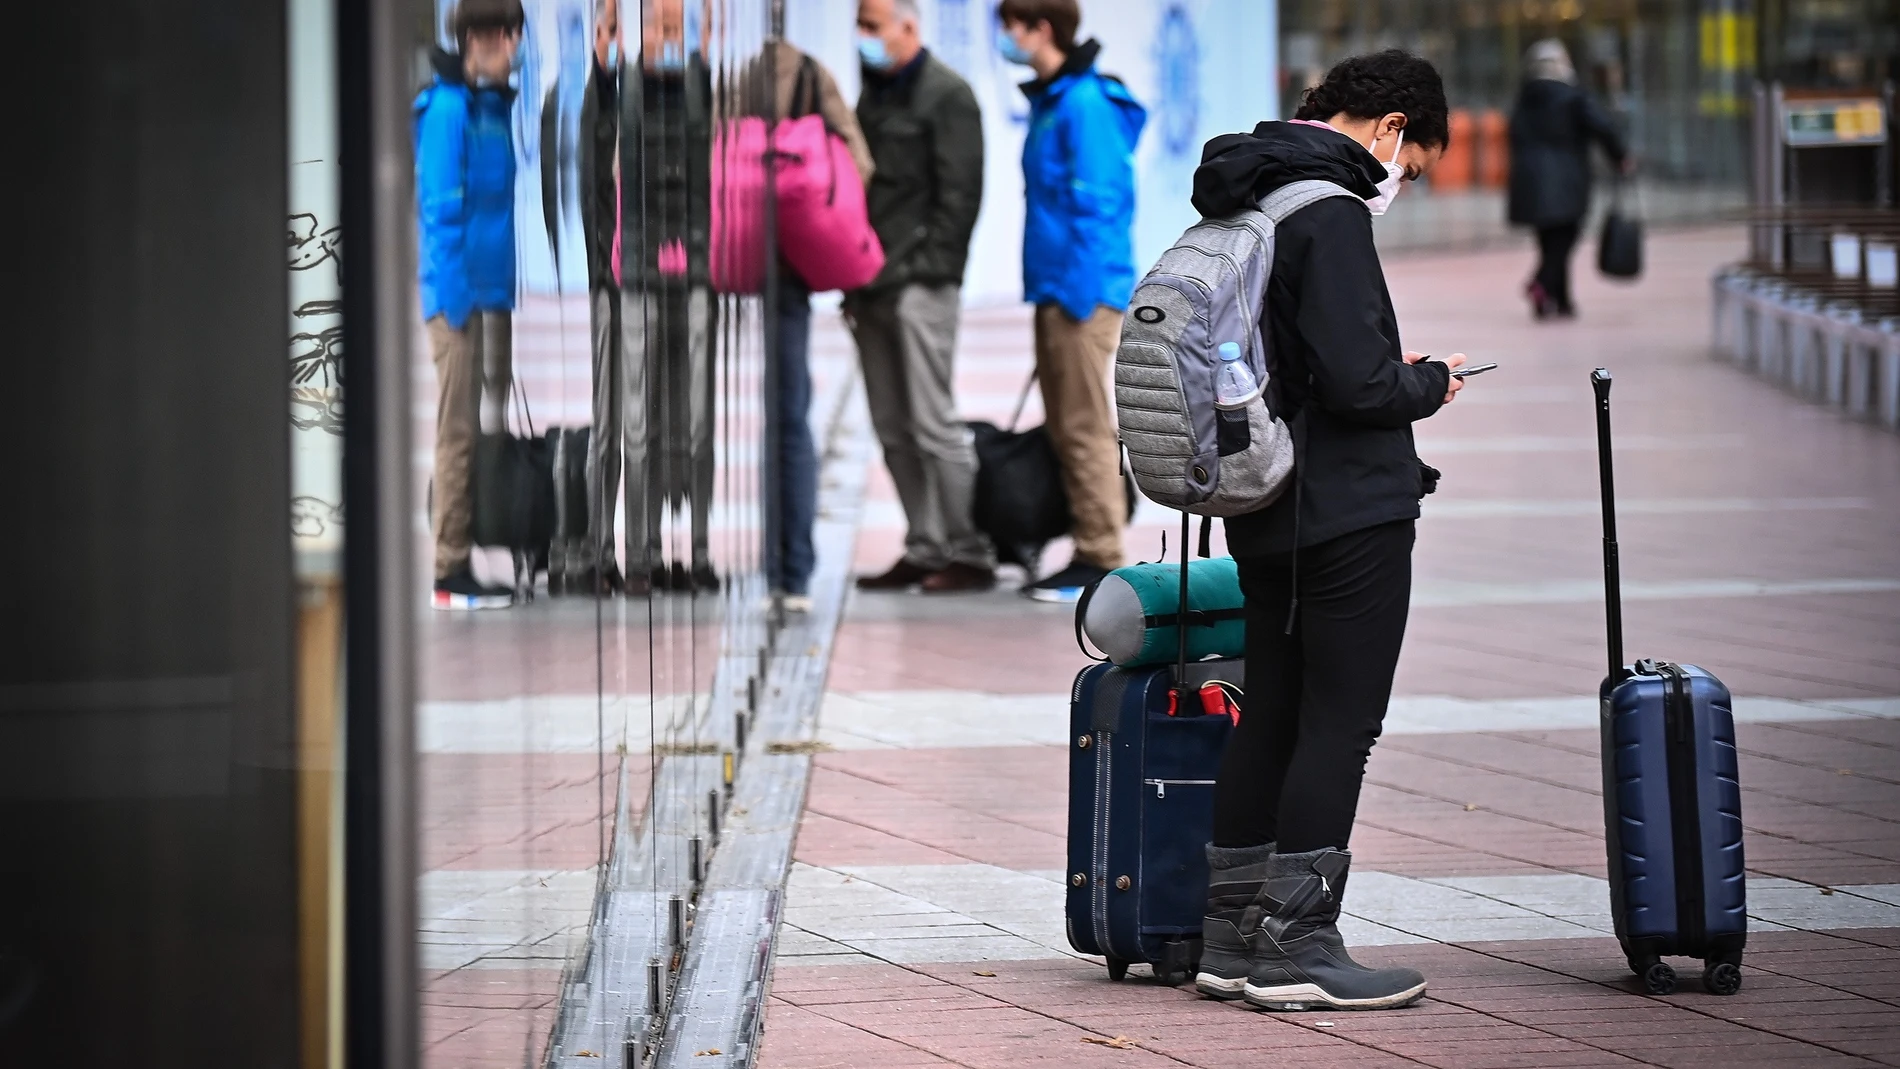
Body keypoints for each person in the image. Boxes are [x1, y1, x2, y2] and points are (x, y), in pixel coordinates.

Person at [1188, 50, 1466, 1011]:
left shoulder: (1249, 193)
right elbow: (1360, 383)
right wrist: (1429, 381)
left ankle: (1228, 935)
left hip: (1261, 498)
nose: (1401, 181)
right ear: (1390, 128)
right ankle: (1299, 939)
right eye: (1412, 163)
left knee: (1272, 709)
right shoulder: (1331, 209)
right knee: (1340, 722)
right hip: (1345, 507)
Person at [996, 0, 1145, 605]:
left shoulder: (1084, 103)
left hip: (1082, 289)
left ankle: (1102, 555)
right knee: (1069, 424)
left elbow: (1102, 203)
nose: (1004, 38)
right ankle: (1089, 543)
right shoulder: (1058, 97)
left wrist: (1082, 294)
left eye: (1011, 26)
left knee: (1085, 425)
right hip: (1060, 285)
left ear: (1042, 30)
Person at [850, 0, 996, 594]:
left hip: (920, 286)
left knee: (933, 422)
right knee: (892, 425)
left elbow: (960, 198)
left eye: (873, 25)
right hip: (870, 285)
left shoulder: (946, 94)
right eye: (859, 26)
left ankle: (967, 548)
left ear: (909, 26)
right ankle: (925, 541)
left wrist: (927, 273)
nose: (865, 37)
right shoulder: (874, 96)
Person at [417, 0, 526, 610]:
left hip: (488, 296)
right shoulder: (448, 111)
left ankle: (470, 546)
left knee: (479, 429)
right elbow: (440, 211)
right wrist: (456, 302)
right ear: (484, 37)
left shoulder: (490, 108)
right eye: (509, 36)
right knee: (456, 430)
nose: (514, 49)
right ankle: (448, 568)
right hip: (458, 301)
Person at [759, 39, 875, 612]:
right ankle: (789, 571)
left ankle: (676, 558)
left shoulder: (710, 77)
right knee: (787, 418)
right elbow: (858, 163)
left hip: (712, 265)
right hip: (783, 267)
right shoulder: (803, 72)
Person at [540, 0, 622, 595]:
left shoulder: (636, 96)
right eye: (605, 27)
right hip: (605, 284)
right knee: (609, 423)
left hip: (637, 283)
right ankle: (590, 545)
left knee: (632, 425)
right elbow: (578, 188)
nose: (612, 38)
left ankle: (617, 548)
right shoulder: (574, 102)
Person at [1508, 39, 1631, 319]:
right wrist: (1620, 156)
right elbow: (1602, 126)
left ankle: (1561, 300)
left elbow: (1513, 135)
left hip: (1531, 179)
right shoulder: (1573, 95)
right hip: (1567, 176)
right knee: (1566, 237)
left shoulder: (1525, 97)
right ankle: (1541, 284)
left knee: (1549, 240)